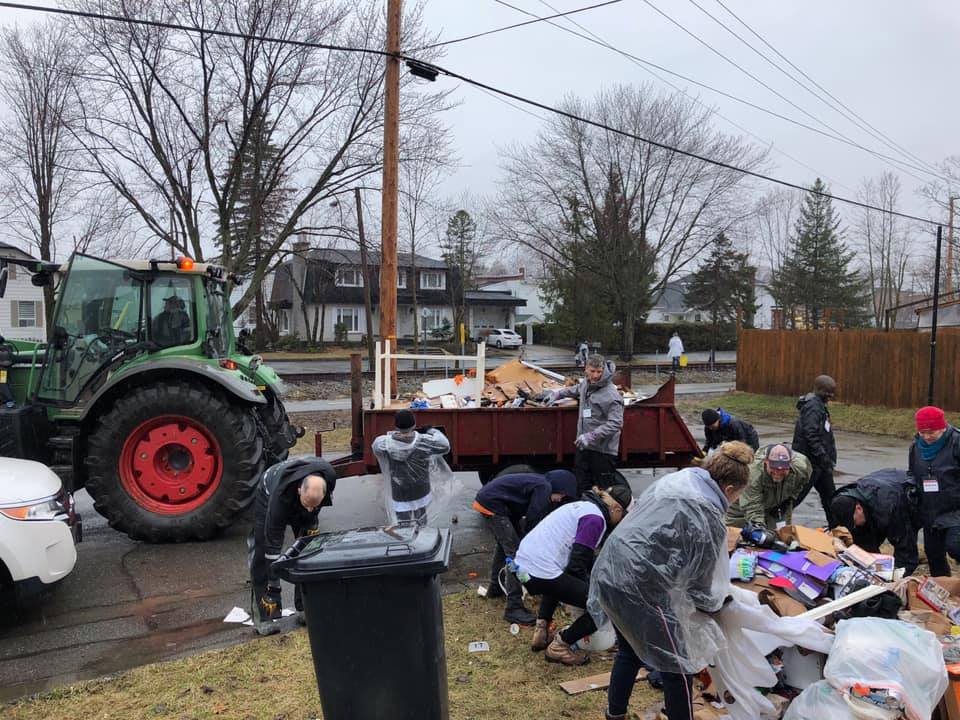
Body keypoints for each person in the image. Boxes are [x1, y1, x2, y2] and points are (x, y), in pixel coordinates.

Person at [588, 442, 754, 720]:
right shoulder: (708, 514)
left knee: (629, 651)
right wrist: (716, 606)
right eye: (738, 495)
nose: (735, 501)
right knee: (678, 663)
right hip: (641, 587)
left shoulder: (681, 479)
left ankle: (614, 715)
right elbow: (703, 586)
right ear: (728, 490)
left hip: (611, 568)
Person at [513, 484, 633, 666]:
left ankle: (541, 631)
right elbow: (577, 565)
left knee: (558, 582)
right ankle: (560, 646)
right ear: (616, 509)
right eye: (622, 516)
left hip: (524, 565)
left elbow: (573, 566)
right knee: (602, 605)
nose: (620, 520)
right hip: (540, 571)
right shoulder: (595, 519)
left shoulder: (582, 506)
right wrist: (590, 594)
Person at [472, 469, 578, 625]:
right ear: (559, 488)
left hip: (495, 503)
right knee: (516, 555)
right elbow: (533, 517)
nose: (560, 500)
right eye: (562, 495)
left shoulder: (540, 482)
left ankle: (495, 589)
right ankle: (513, 608)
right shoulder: (545, 487)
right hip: (493, 504)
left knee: (504, 548)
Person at [248, 456, 338, 636]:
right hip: (269, 492)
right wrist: (274, 588)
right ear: (299, 491)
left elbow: (311, 514)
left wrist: (310, 520)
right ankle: (264, 614)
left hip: (302, 494)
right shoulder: (279, 498)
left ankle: (303, 607)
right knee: (262, 551)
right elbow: (272, 545)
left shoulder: (328, 477)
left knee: (307, 551)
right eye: (308, 505)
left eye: (315, 506)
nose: (311, 511)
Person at [539, 354, 624, 495]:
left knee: (603, 491)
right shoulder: (587, 383)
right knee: (581, 486)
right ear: (586, 369)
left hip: (602, 451)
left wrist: (592, 436)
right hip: (584, 447)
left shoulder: (611, 395)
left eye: (599, 372)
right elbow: (576, 389)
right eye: (592, 371)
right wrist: (558, 394)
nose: (596, 375)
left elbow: (615, 423)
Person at [830, 468, 920, 576]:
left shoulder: (888, 508)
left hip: (916, 496)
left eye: (853, 521)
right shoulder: (841, 502)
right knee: (862, 538)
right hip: (881, 487)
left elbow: (906, 551)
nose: (854, 526)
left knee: (925, 547)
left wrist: (892, 580)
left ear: (859, 508)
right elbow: (862, 544)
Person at [372, 409, 450, 527]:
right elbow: (445, 446)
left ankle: (406, 540)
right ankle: (422, 538)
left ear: (396, 426)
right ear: (414, 424)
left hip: (399, 492)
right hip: (421, 489)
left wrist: (393, 435)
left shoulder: (385, 443)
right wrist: (431, 430)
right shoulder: (425, 441)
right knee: (422, 519)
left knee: (403, 524)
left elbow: (376, 446)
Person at [908, 406, 960, 577]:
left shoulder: (956, 442)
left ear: (942, 427)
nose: (927, 437)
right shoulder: (916, 447)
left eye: (932, 432)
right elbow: (912, 473)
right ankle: (944, 589)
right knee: (933, 554)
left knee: (955, 547)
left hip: (955, 509)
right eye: (923, 432)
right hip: (930, 510)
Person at [726, 444, 812, 531]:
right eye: (774, 467)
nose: (778, 472)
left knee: (783, 536)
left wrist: (789, 500)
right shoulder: (752, 473)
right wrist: (759, 527)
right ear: (766, 461)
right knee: (742, 539)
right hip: (741, 511)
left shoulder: (802, 467)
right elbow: (752, 507)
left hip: (776, 508)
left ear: (790, 464)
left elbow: (802, 483)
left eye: (783, 469)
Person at [792, 374, 838, 525]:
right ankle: (774, 523)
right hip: (810, 463)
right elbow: (811, 434)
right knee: (795, 497)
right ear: (819, 390)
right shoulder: (813, 406)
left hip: (821, 464)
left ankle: (837, 529)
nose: (831, 396)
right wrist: (823, 457)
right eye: (828, 393)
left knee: (831, 498)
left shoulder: (819, 406)